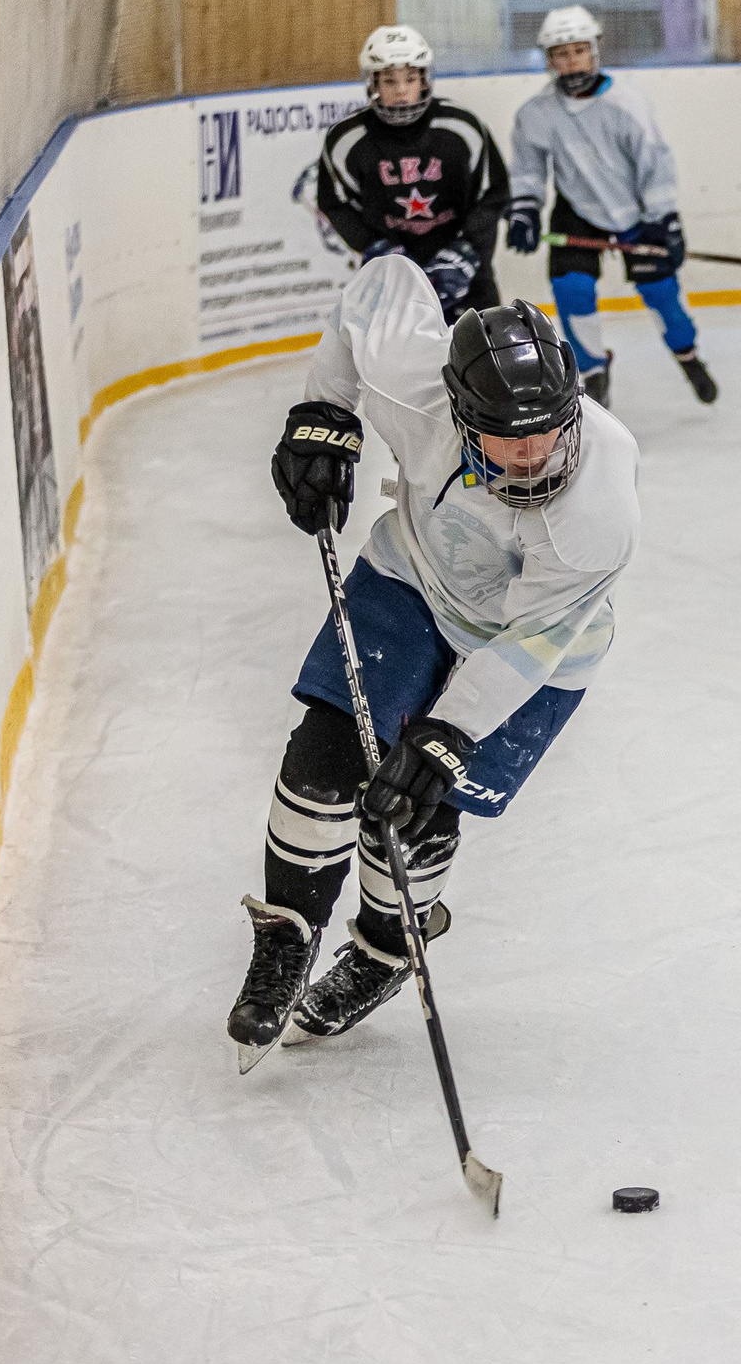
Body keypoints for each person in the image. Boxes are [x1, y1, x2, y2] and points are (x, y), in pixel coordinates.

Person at [229, 258, 640, 1071]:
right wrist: (323, 410)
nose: (530, 456)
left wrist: (451, 731)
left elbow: (529, 640)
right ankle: (287, 933)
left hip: (535, 649)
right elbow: (378, 285)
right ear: (457, 412)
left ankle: (385, 949)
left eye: (547, 432)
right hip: (414, 580)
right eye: (506, 437)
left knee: (414, 811)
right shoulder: (416, 389)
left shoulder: (600, 509)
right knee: (323, 764)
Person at [504, 4, 718, 407]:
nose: (571, 62)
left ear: (595, 51)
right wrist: (525, 209)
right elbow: (528, 168)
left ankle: (688, 356)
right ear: (549, 60)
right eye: (561, 54)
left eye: (578, 51)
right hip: (577, 209)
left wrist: (665, 220)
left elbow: (655, 165)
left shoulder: (627, 103)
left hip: (636, 211)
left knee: (661, 296)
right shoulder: (536, 113)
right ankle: (593, 371)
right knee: (572, 289)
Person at [315, 25, 511, 324]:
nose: (402, 90)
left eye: (411, 78)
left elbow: (493, 192)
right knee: (397, 366)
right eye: (389, 80)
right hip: (391, 279)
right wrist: (375, 248)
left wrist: (468, 250)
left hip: (468, 276)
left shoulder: (462, 128)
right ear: (373, 83)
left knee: (483, 363)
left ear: (424, 79)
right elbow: (334, 203)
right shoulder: (348, 139)